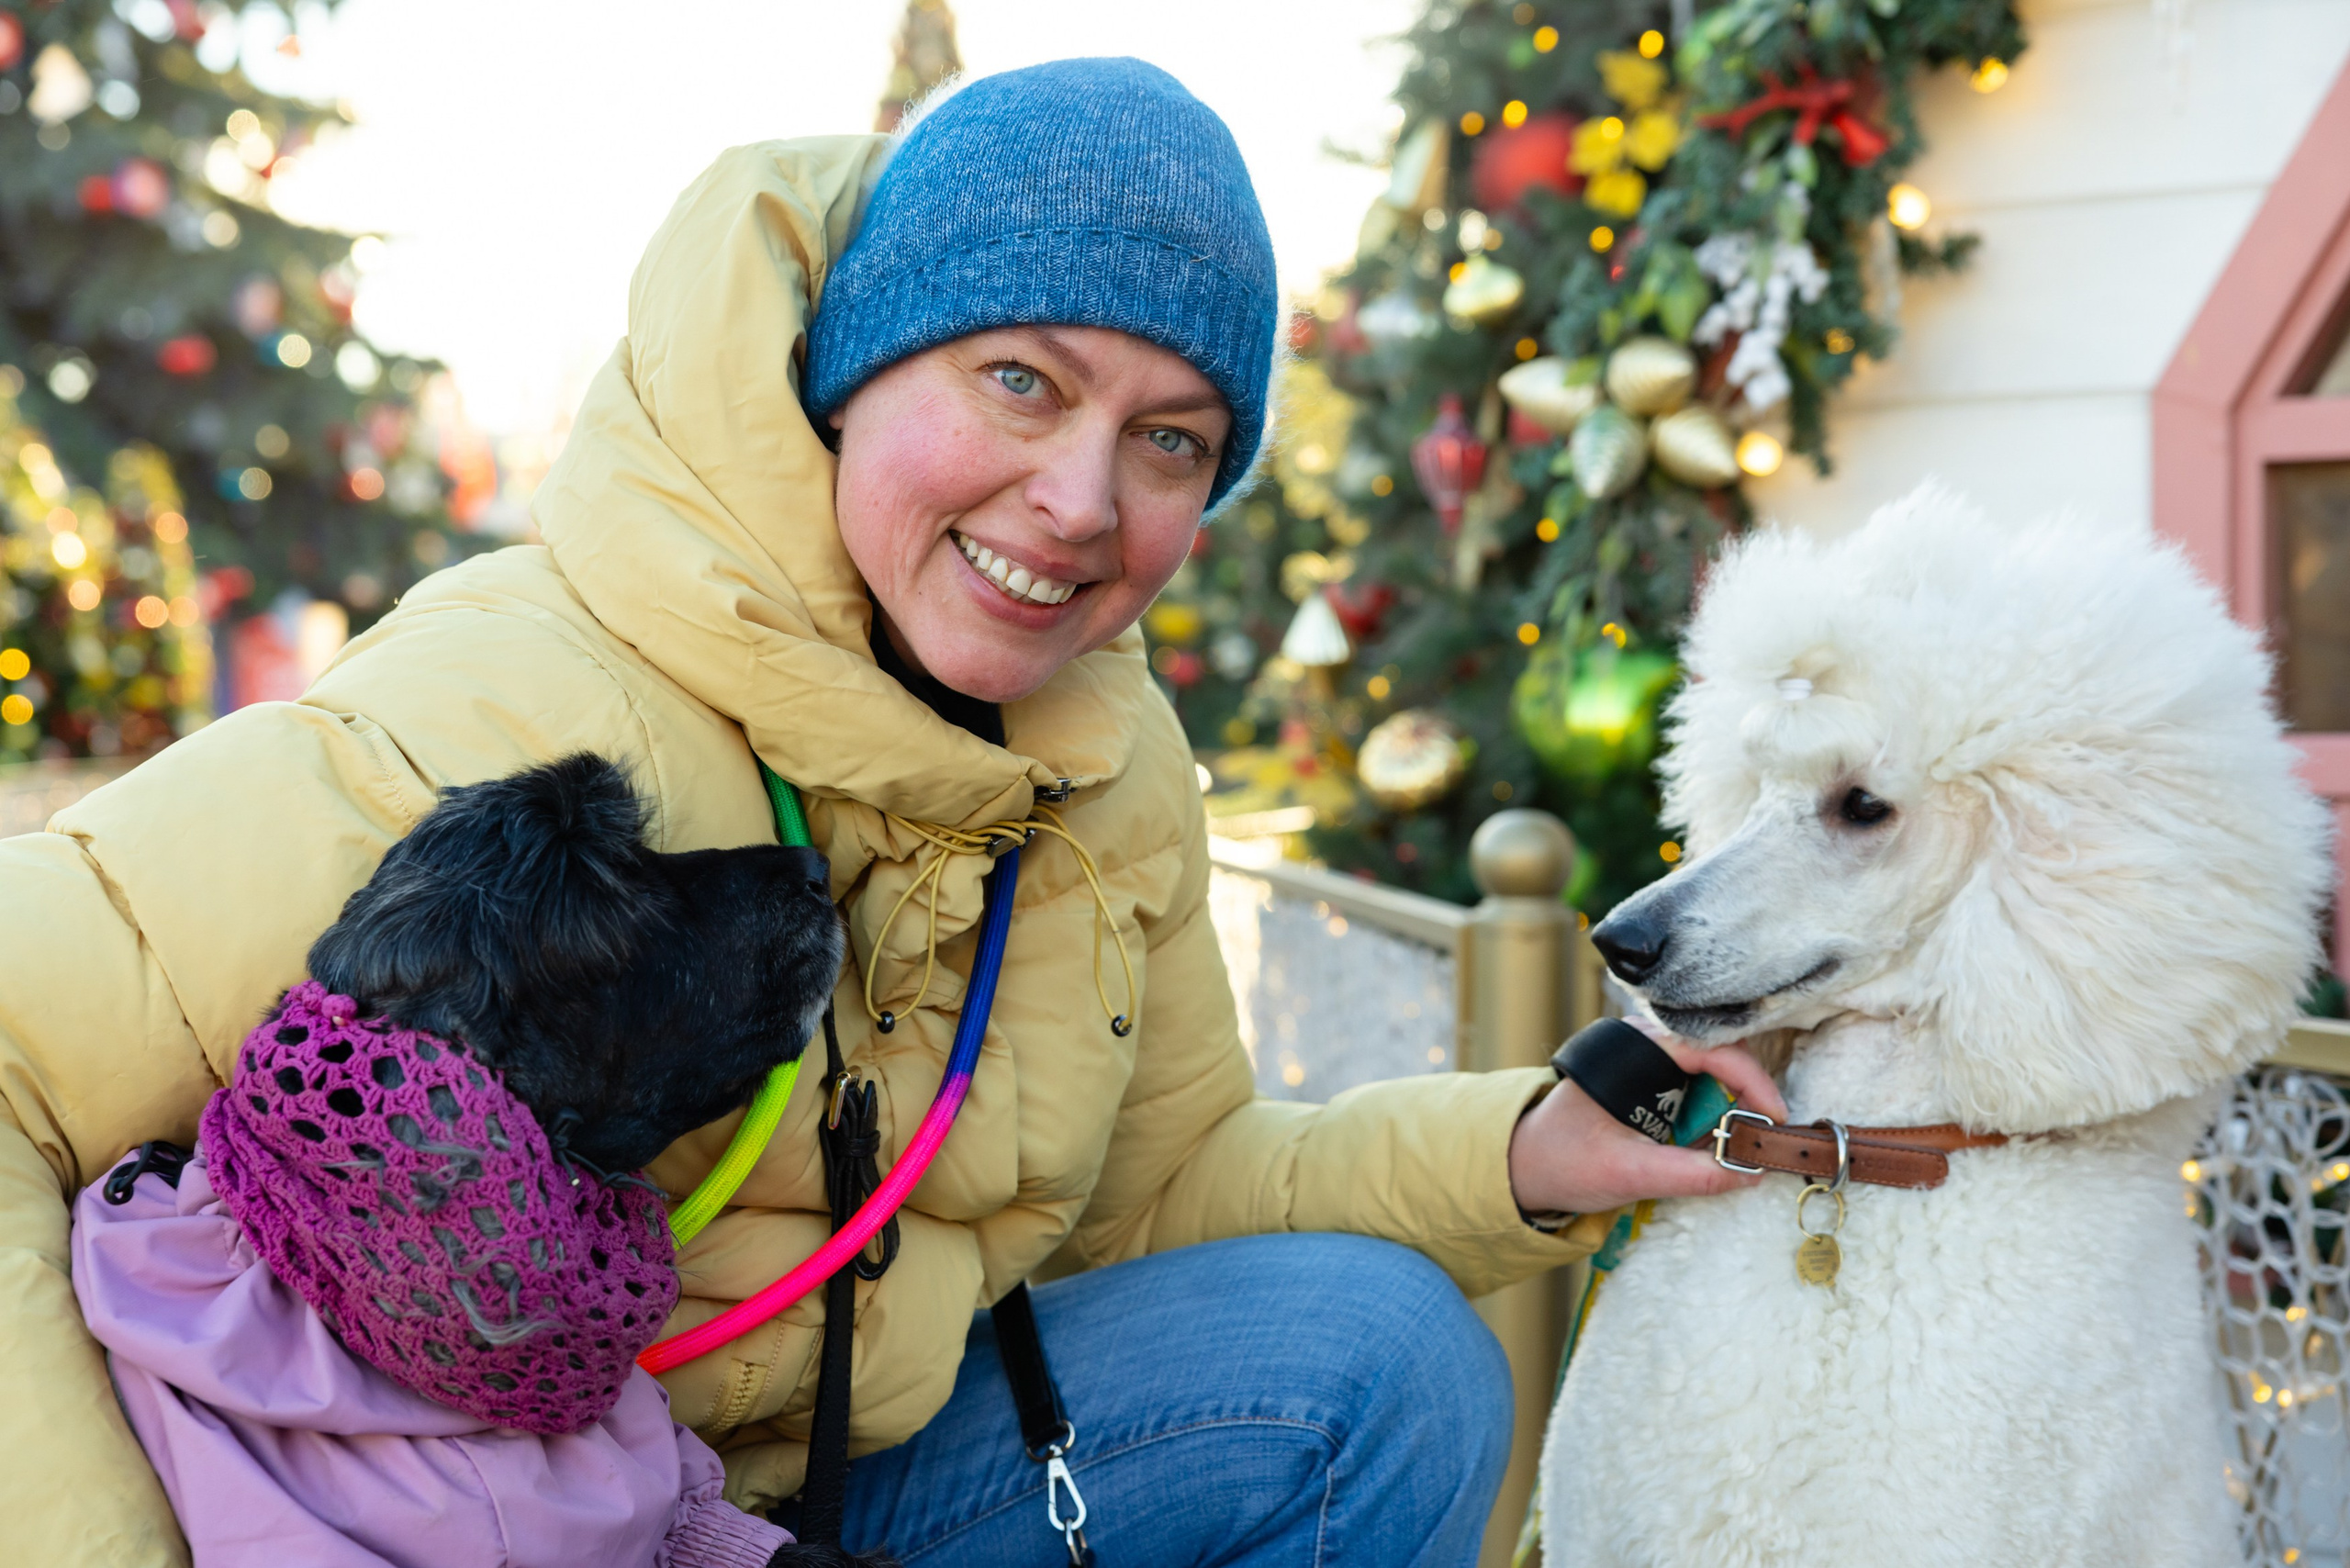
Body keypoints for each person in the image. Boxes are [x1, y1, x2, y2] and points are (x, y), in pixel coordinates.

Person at [0, 57, 1782, 1567]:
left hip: (816, 1477)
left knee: (1380, 1364)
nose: (1080, 501)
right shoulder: (518, 708)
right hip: (442, 1506)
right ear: (859, 366)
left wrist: (1522, 1151)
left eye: (1170, 439)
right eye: (1021, 381)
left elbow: (1160, 1191)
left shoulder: (1105, 770)